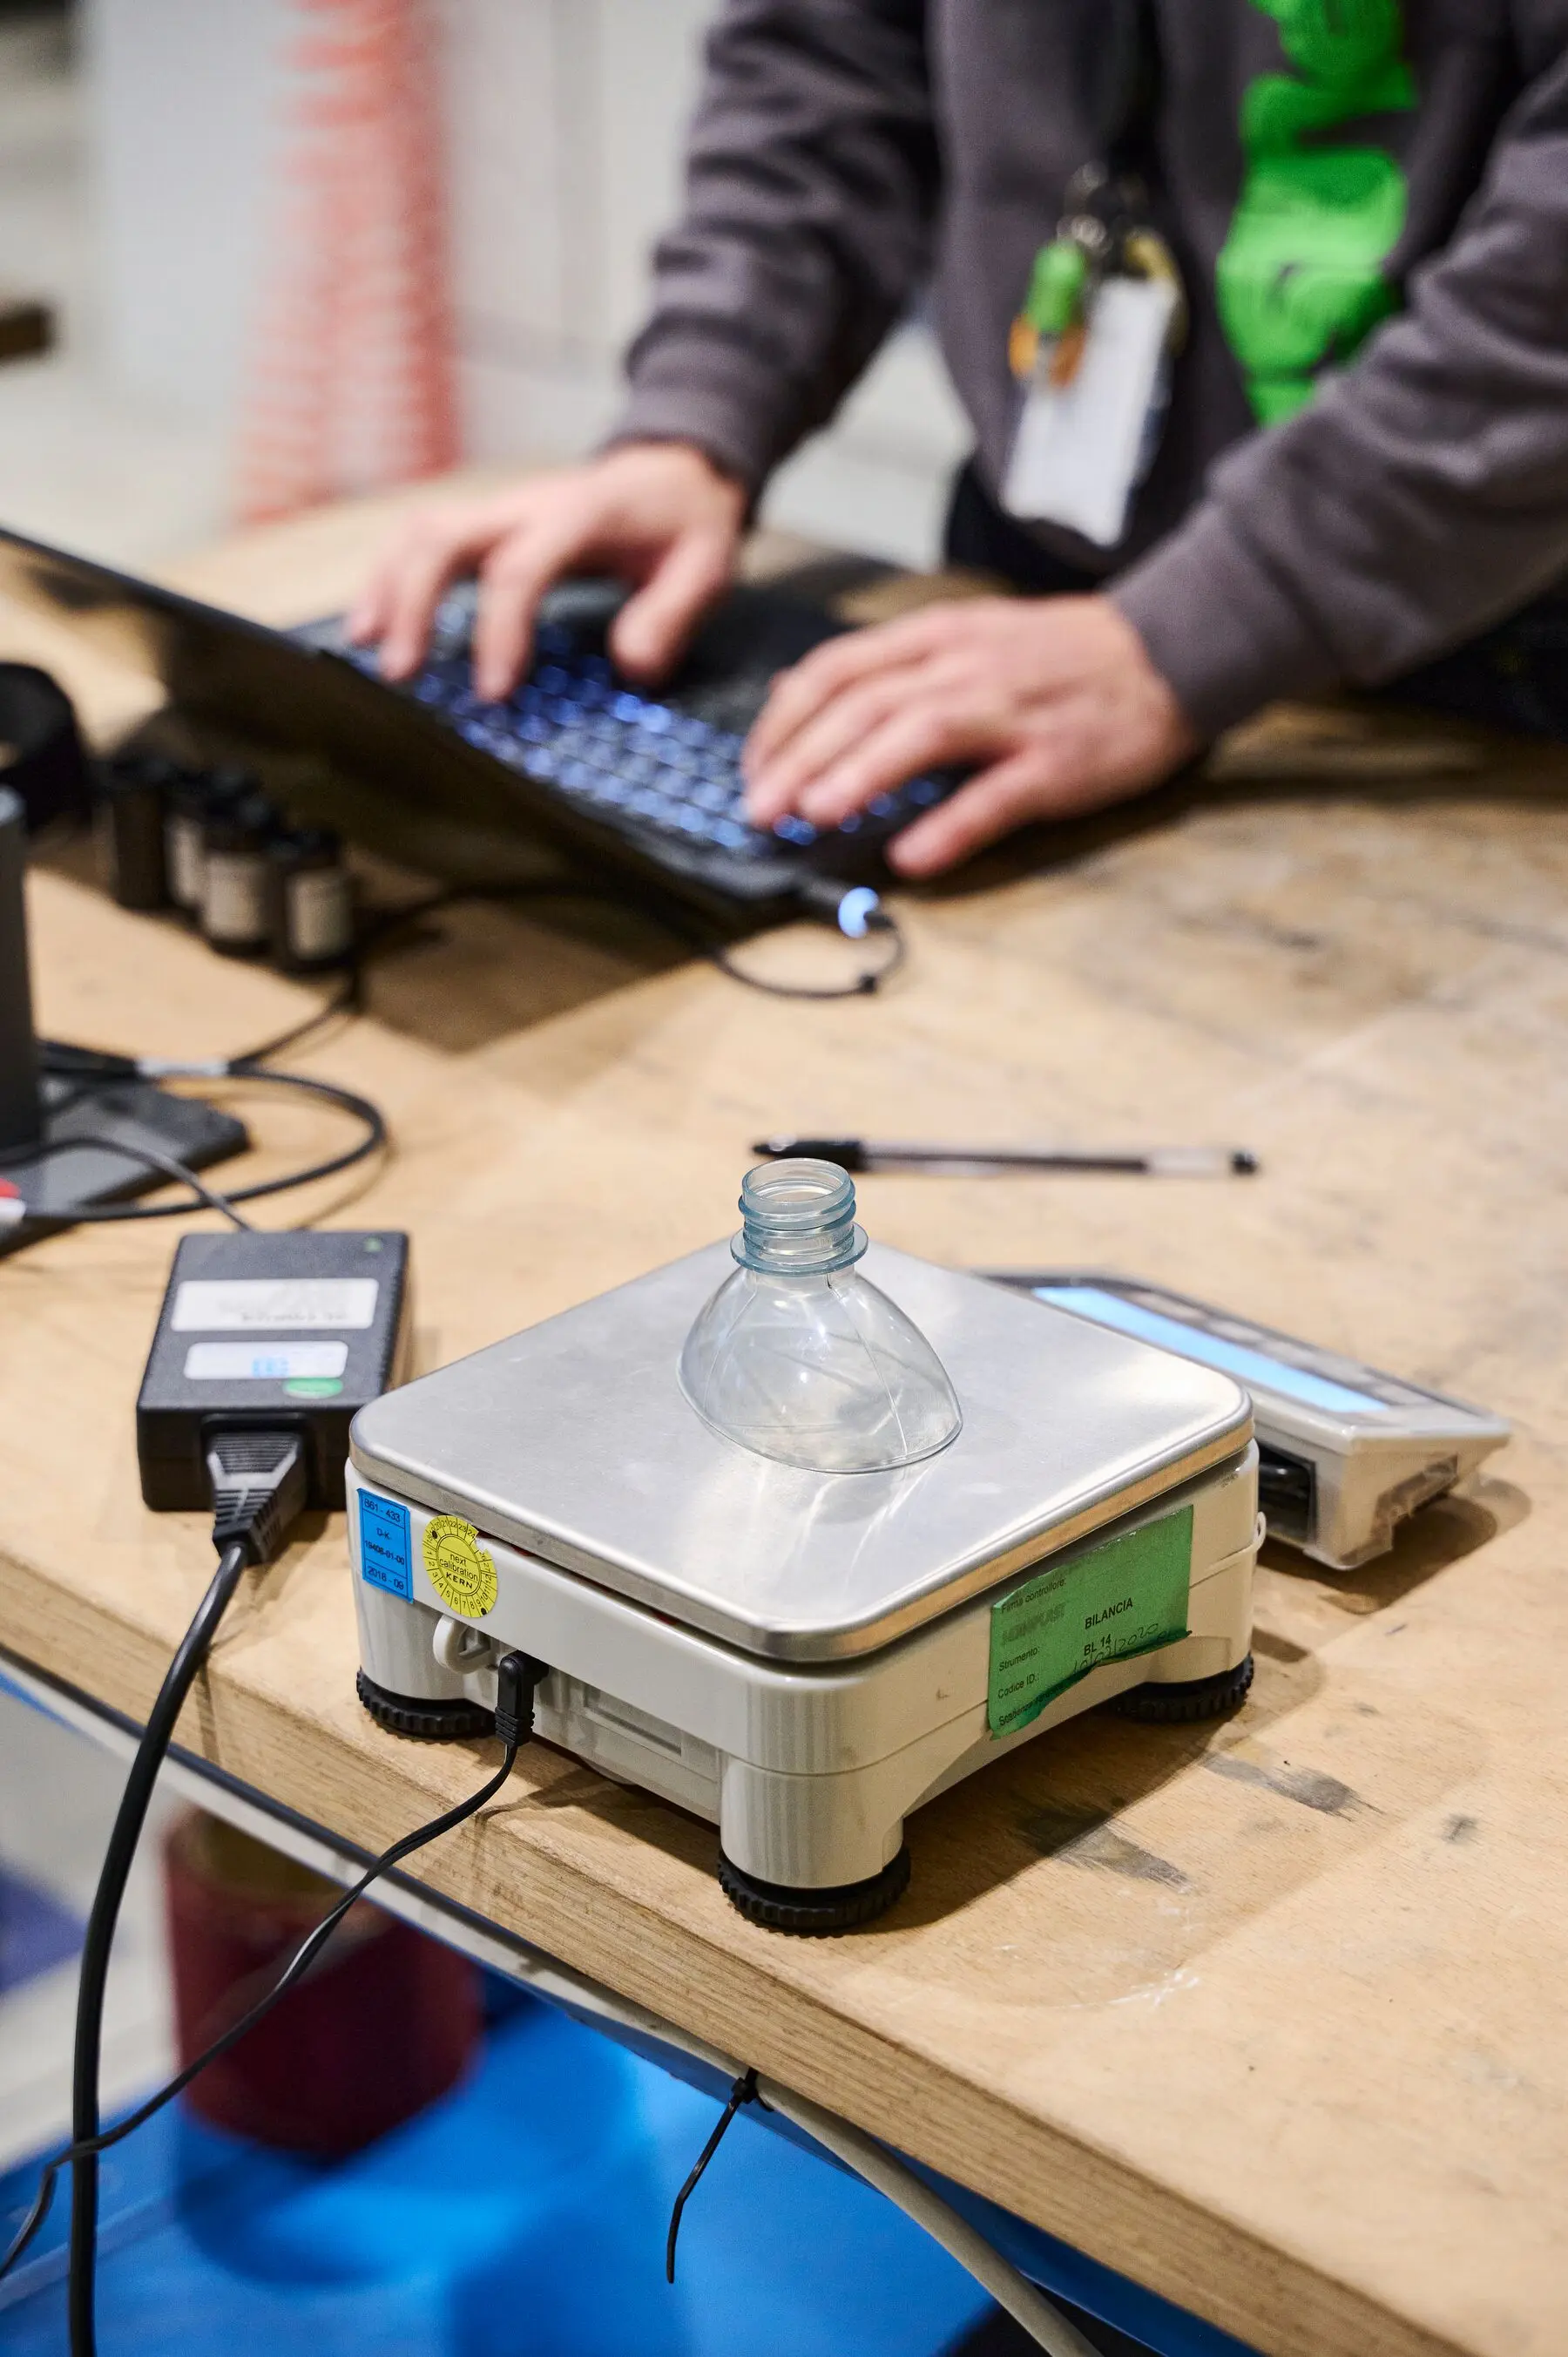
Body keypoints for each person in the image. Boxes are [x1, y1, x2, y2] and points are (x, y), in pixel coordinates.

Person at [350, 0, 1568, 879]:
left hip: (1499, 656)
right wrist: (699, 414)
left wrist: (1204, 627)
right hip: (1045, 595)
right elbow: (833, 52)